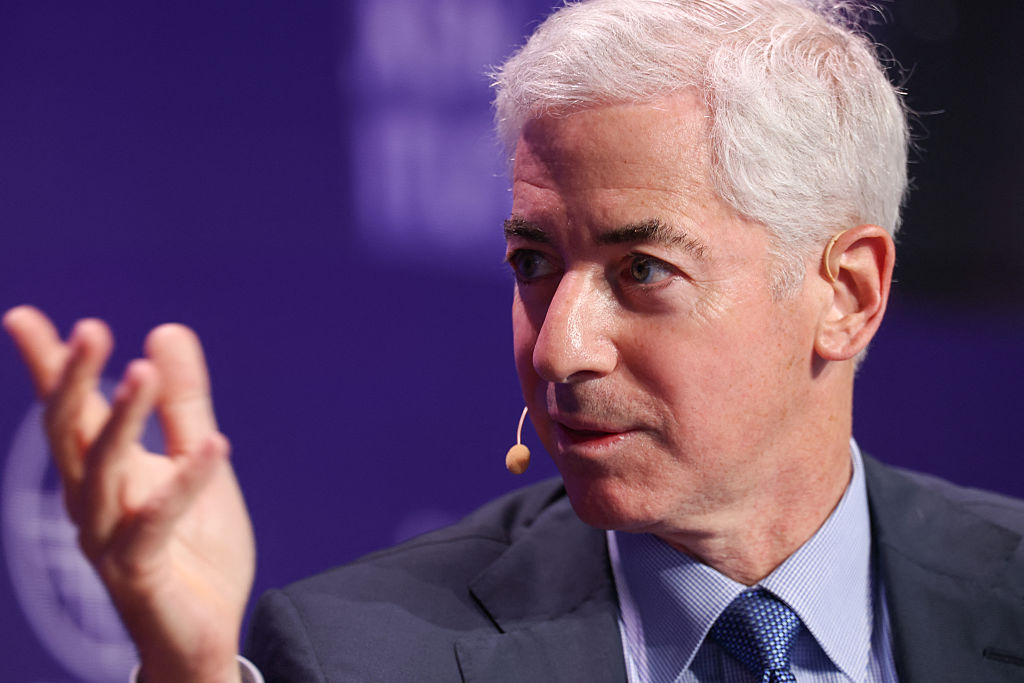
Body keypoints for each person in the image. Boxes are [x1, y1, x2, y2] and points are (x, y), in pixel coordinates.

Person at [6, 0, 1024, 681]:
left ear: (846, 292)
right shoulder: (357, 655)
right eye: (533, 263)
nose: (558, 349)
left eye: (641, 271)